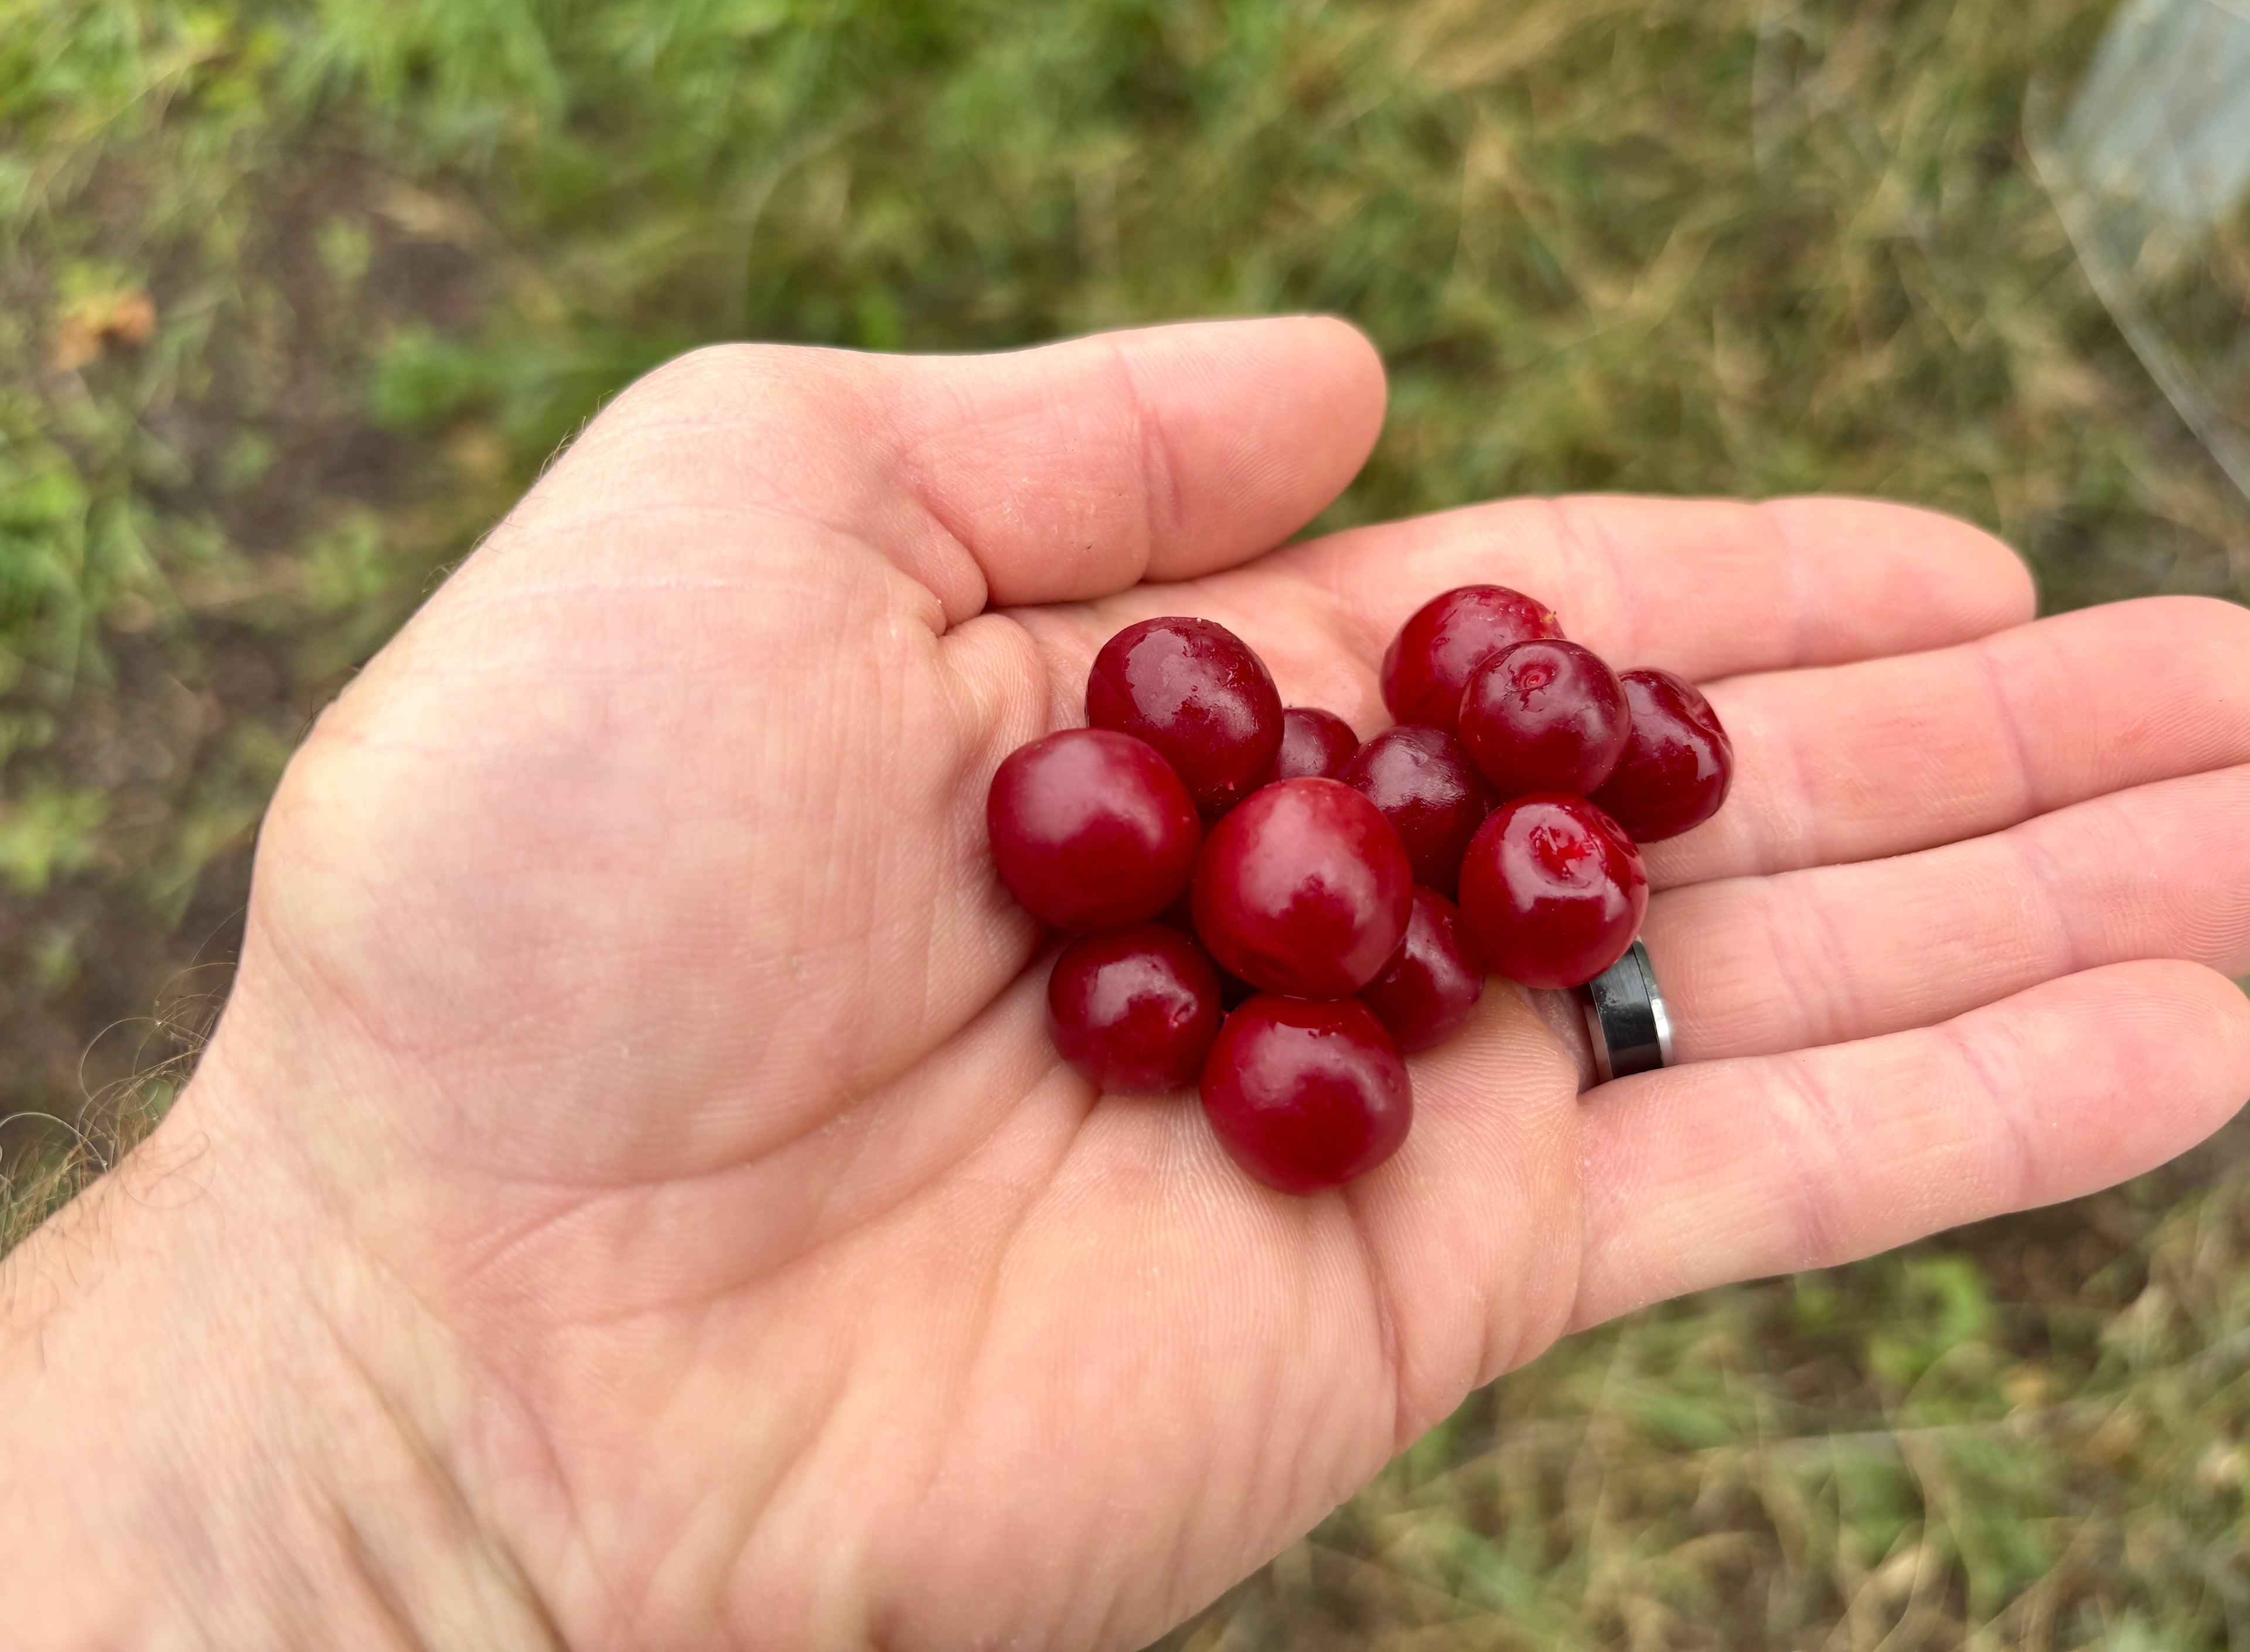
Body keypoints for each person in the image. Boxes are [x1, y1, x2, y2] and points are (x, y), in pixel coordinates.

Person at [3, 318, 2245, 1648]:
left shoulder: (1387, 863)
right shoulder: (1267, 851)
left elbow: (1430, 882)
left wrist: (342, 1479)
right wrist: (344, 1444)